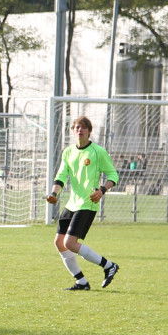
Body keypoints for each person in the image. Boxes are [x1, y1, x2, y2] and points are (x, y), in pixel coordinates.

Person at [45, 116, 120, 291]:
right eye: (77, 127)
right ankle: (81, 282)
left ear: (89, 131)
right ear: (73, 130)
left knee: (70, 243)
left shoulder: (98, 152)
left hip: (88, 203)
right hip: (72, 203)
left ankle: (108, 265)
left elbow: (113, 175)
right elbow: (61, 176)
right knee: (59, 242)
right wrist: (53, 194)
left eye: (84, 127)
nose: (80, 130)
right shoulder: (68, 152)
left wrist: (101, 190)